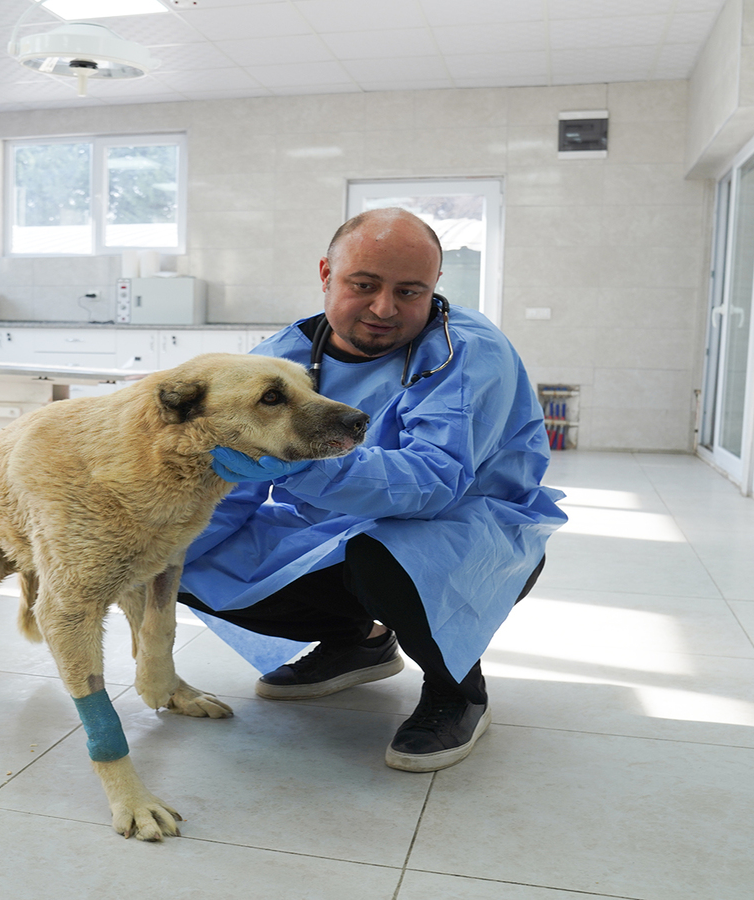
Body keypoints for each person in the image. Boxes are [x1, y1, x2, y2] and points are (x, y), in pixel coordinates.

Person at [177, 207, 567, 772]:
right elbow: (226, 490)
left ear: (435, 287)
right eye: (364, 285)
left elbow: (433, 482)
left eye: (409, 292)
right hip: (335, 530)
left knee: (381, 556)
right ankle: (357, 644)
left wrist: (298, 464)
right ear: (326, 274)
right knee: (175, 559)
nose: (384, 308)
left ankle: (458, 689)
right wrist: (149, 549)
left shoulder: (468, 353)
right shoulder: (276, 361)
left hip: (468, 529)